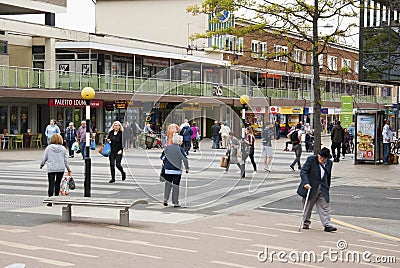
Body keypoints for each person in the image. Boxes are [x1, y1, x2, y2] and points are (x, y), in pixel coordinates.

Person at [297, 147, 337, 232]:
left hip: (323, 187)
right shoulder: (311, 159)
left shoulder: (329, 163)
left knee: (325, 205)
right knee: (308, 206)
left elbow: (328, 176)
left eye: (324, 158)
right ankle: (306, 222)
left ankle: (327, 224)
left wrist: (327, 187)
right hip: (311, 186)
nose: (322, 159)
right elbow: (303, 171)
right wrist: (306, 183)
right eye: (321, 157)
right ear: (318, 155)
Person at [40, 134, 71, 206]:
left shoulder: (49, 148)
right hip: (60, 168)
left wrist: (42, 164)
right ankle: (56, 199)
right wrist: (68, 168)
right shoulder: (63, 148)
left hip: (51, 168)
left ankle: (50, 200)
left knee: (51, 183)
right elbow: (65, 160)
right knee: (57, 183)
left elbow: (44, 157)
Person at [161, 133, 189, 207]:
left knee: (167, 185)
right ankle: (175, 202)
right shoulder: (179, 149)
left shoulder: (167, 148)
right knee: (175, 186)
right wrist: (187, 168)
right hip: (177, 171)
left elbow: (162, 157)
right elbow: (185, 159)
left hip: (167, 170)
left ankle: (165, 199)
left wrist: (166, 162)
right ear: (179, 141)